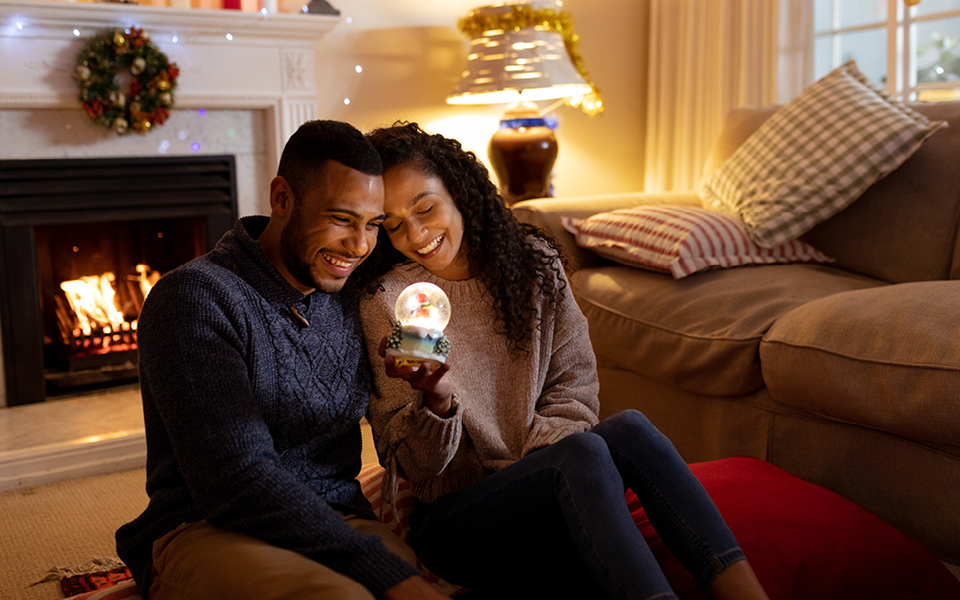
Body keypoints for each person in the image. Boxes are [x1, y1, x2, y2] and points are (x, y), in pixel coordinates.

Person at [355, 122, 772, 600]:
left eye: (425, 208)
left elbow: (575, 385)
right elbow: (411, 465)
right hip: (456, 521)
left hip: (550, 482)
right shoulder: (387, 299)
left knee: (630, 429)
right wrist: (438, 402)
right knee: (581, 454)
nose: (416, 233)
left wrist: (537, 468)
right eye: (393, 225)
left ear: (458, 192)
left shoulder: (532, 264)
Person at [116, 120, 451, 600]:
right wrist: (381, 569)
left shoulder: (352, 290)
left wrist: (436, 393)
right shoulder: (195, 298)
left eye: (373, 224)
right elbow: (236, 479)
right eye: (341, 218)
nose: (359, 245)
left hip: (340, 518)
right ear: (281, 198)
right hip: (208, 526)